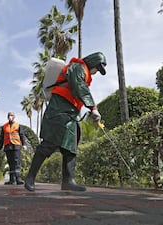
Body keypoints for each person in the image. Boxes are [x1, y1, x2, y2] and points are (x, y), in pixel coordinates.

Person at [24, 52, 106, 192]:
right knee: (49, 143)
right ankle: (30, 177)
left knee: (70, 148)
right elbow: (79, 86)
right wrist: (93, 107)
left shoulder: (83, 72)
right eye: (97, 68)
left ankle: (68, 181)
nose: (96, 72)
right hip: (59, 111)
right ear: (92, 63)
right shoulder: (77, 67)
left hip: (70, 115)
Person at [0, 112, 27, 185]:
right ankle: (12, 180)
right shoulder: (4, 126)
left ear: (14, 117)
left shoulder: (18, 125)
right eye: (9, 116)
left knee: (16, 162)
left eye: (11, 115)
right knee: (10, 163)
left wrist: (24, 144)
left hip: (16, 145)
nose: (10, 117)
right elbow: (2, 137)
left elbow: (22, 135)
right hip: (8, 146)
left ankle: (18, 179)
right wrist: (0, 146)